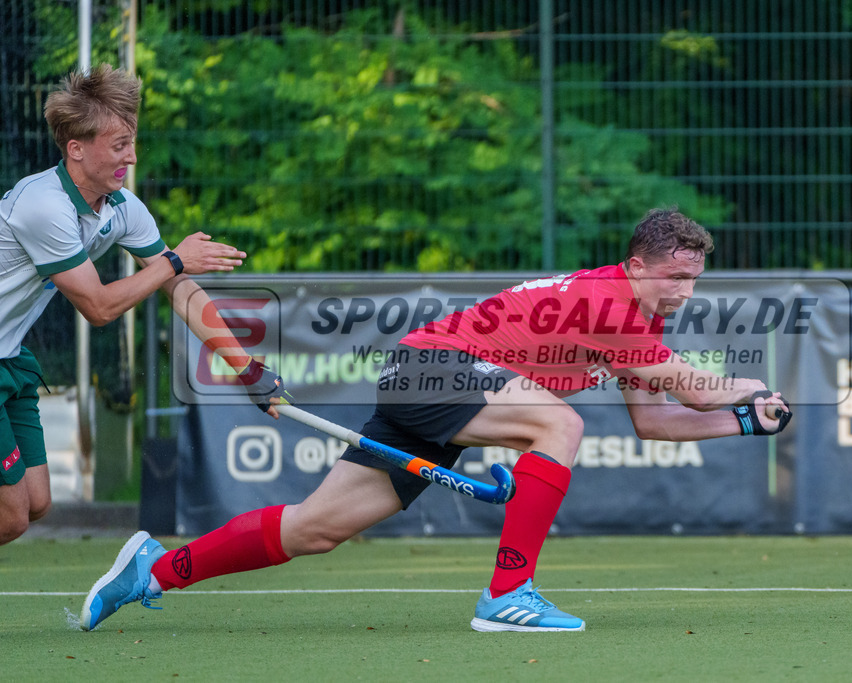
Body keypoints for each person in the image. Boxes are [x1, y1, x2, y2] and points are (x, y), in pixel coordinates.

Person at [80, 207, 792, 633]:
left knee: (315, 528)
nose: (685, 290)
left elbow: (659, 421)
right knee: (560, 426)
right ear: (637, 264)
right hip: (437, 369)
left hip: (442, 389)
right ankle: (508, 594)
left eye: (695, 279)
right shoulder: (608, 304)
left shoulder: (633, 321)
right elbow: (698, 391)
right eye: (675, 276)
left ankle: (154, 568)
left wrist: (750, 424)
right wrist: (747, 385)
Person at [0, 64, 287, 546]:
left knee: (37, 499)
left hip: (10, 356)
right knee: (11, 517)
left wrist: (244, 368)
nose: (131, 158)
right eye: (118, 146)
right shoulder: (43, 205)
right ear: (76, 149)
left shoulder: (120, 207)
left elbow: (180, 289)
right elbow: (99, 307)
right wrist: (174, 260)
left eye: (132, 143)